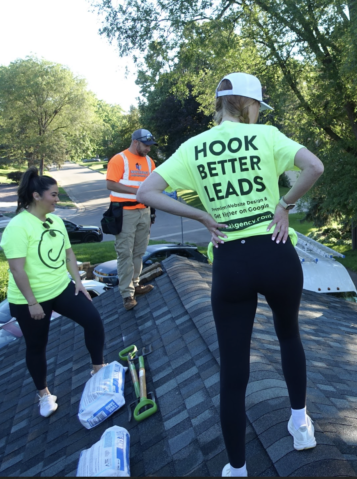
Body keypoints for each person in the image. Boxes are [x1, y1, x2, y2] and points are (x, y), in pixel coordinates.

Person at [137, 72, 324, 478]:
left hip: (230, 263)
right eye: (258, 106)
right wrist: (285, 204)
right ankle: (300, 424)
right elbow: (314, 166)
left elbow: (145, 192)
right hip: (276, 253)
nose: (259, 113)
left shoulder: (194, 147)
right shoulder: (268, 136)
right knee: (289, 334)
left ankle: (237, 468)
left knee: (234, 368)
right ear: (247, 103)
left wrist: (200, 213)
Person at [0, 168, 106, 418]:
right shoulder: (18, 227)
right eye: (54, 195)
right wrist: (32, 303)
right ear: (37, 196)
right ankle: (44, 395)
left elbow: (69, 254)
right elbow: (16, 269)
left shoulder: (56, 221)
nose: (58, 199)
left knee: (93, 320)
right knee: (37, 345)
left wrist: (79, 282)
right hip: (30, 299)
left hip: (61, 288)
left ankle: (98, 369)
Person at [105, 129, 158, 310]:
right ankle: (127, 294)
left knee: (139, 252)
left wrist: (152, 212)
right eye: (146, 145)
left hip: (144, 210)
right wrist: (137, 192)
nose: (149, 149)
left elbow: (153, 186)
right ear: (136, 142)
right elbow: (110, 183)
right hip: (125, 212)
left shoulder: (150, 162)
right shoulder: (120, 159)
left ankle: (135, 284)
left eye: (150, 146)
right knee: (125, 253)